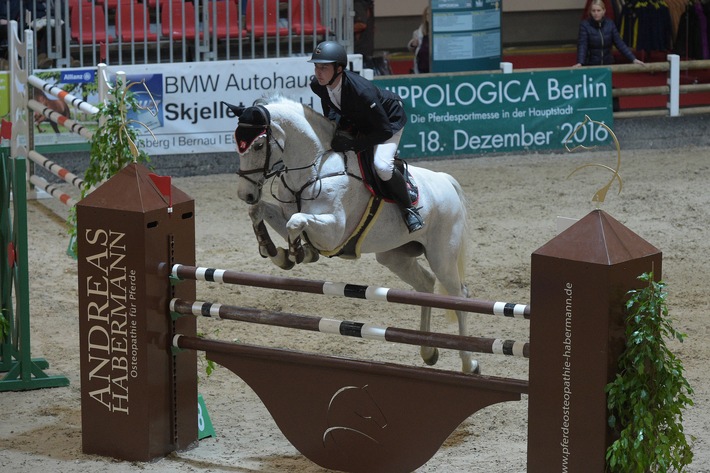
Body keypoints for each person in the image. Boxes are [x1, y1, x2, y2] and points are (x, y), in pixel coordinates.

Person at [308, 40, 424, 233]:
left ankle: (409, 210)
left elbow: (384, 130)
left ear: (338, 69)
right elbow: (330, 106)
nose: (318, 72)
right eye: (316, 67)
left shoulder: (362, 92)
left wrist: (355, 143)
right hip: (360, 118)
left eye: (324, 68)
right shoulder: (318, 84)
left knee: (382, 166)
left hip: (388, 120)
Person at [574, 0, 645, 67]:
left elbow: (619, 43)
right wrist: (580, 62)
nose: (596, 13)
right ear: (590, 12)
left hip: (607, 64)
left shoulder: (610, 24)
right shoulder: (585, 25)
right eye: (593, 11)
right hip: (591, 64)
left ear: (603, 11)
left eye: (598, 10)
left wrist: (633, 59)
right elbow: (582, 45)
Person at [407, 6, 430, 73]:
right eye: (428, 14)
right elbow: (411, 47)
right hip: (422, 66)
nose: (429, 16)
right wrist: (412, 44)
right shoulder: (418, 32)